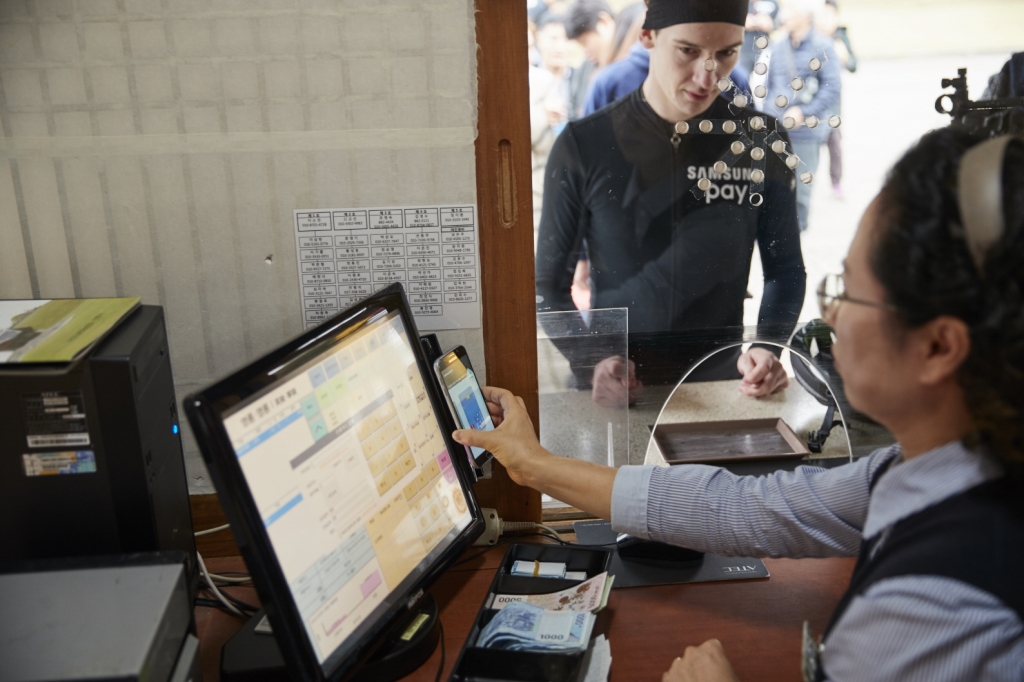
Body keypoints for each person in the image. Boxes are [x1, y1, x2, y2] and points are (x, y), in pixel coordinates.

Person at [458, 127, 1024, 680]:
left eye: (848, 292)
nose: (830, 317)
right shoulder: (923, 471)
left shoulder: (935, 608)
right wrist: (533, 465)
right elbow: (749, 507)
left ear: (938, 346)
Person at [536, 0, 806, 401]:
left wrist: (767, 346)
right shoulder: (585, 144)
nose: (706, 75)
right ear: (648, 36)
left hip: (724, 389)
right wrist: (591, 359)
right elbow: (547, 286)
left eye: (726, 53)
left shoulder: (761, 142)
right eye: (688, 51)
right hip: (619, 390)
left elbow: (784, 270)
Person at [764, 0, 840, 232]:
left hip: (805, 134)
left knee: (800, 194)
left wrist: (803, 112)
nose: (783, 15)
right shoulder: (777, 47)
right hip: (775, 131)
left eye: (790, 10)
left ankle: (796, 241)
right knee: (773, 189)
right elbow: (768, 87)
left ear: (806, 15)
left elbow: (832, 88)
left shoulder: (823, 47)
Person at [817, 0, 856, 199]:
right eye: (822, 16)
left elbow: (853, 65)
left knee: (835, 144)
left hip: (833, 105)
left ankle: (836, 182)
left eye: (831, 16)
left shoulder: (840, 37)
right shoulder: (811, 38)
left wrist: (844, 54)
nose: (826, 21)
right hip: (812, 104)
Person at [738, 1, 779, 77]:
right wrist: (741, 21)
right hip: (742, 49)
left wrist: (771, 24)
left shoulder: (771, 3)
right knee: (741, 77)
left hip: (764, 50)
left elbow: (781, 22)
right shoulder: (737, 3)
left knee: (764, 79)